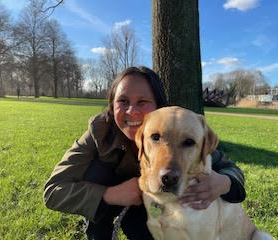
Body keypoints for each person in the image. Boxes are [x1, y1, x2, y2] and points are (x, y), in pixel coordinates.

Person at [43, 66, 246, 240]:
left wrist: (223, 183)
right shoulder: (99, 133)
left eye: (142, 102)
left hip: (150, 208)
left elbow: (230, 169)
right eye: (123, 101)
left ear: (159, 107)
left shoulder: (181, 127)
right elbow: (53, 191)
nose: (132, 112)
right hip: (107, 205)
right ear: (112, 106)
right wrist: (110, 195)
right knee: (96, 173)